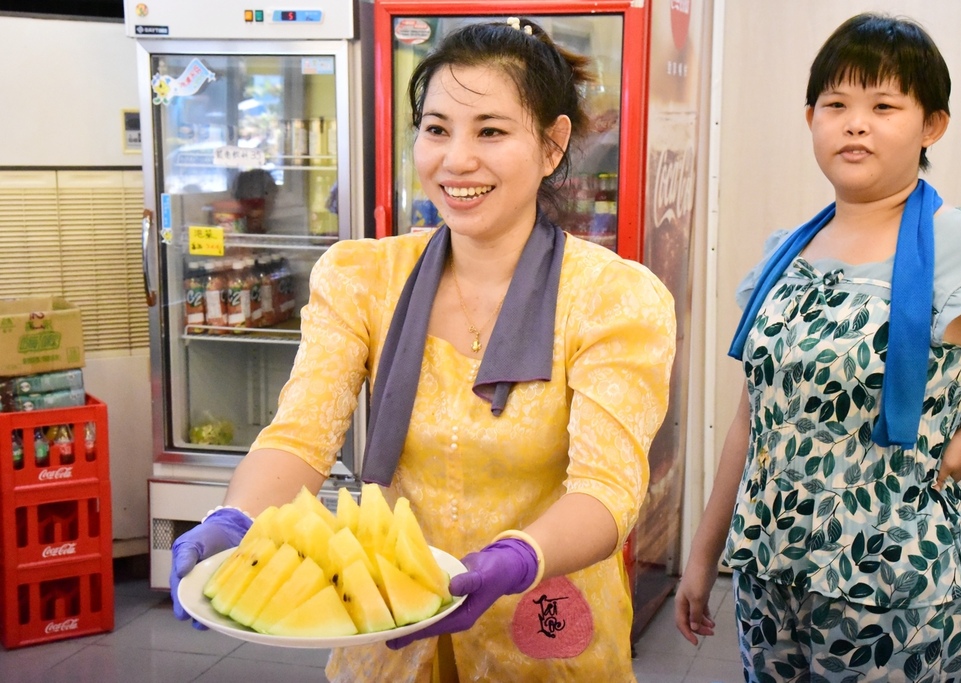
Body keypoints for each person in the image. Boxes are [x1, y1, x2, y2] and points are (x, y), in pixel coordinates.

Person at [170, 17, 676, 682]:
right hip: (385, 623)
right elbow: (300, 435)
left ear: (553, 145)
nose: (455, 159)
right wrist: (236, 516)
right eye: (437, 129)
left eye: (490, 131)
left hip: (541, 628)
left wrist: (518, 557)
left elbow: (607, 491)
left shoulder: (614, 298)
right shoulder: (363, 277)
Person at [675, 12, 961, 682]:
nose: (855, 123)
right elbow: (753, 415)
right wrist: (703, 552)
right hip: (771, 578)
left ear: (933, 125)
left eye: (884, 105)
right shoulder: (787, 252)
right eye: (835, 104)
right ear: (811, 118)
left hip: (900, 595)